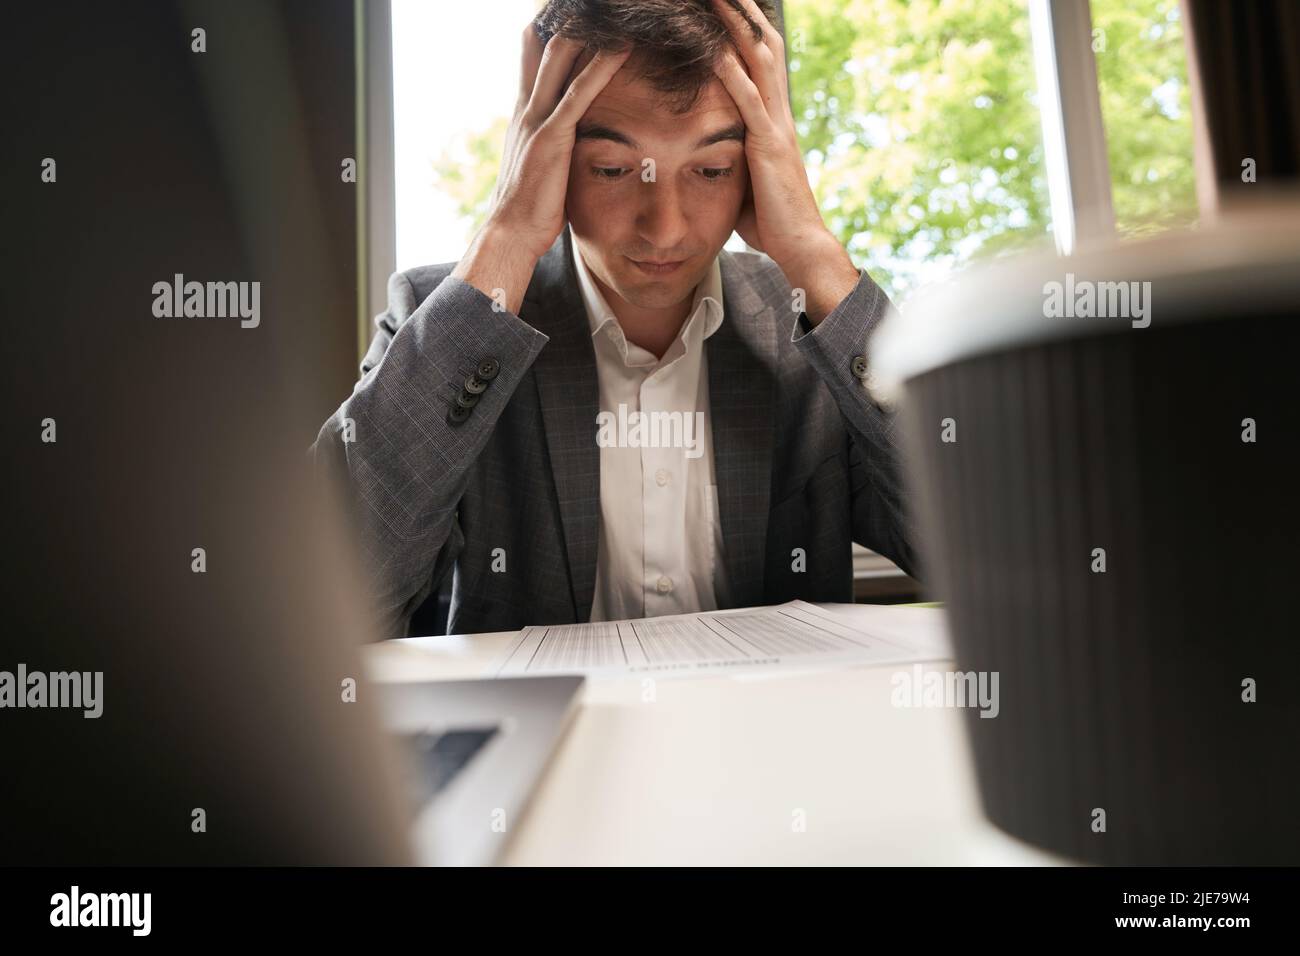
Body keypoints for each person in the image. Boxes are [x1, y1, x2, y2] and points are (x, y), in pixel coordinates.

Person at [315, 0, 917, 638]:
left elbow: (985, 544)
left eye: (712, 170)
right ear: (545, 156)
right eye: (611, 169)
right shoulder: (453, 327)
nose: (666, 228)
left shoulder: (816, 326)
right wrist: (511, 230)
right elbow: (329, 599)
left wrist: (816, 256)